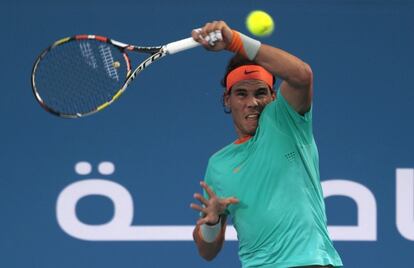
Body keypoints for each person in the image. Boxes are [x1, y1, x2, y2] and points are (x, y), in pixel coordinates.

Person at [189, 20, 343, 268]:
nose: (252, 102)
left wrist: (235, 42)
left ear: (273, 96)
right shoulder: (218, 164)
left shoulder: (285, 119)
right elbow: (207, 252)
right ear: (227, 100)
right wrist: (213, 221)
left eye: (260, 93)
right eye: (241, 94)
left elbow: (302, 75)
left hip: (310, 262)